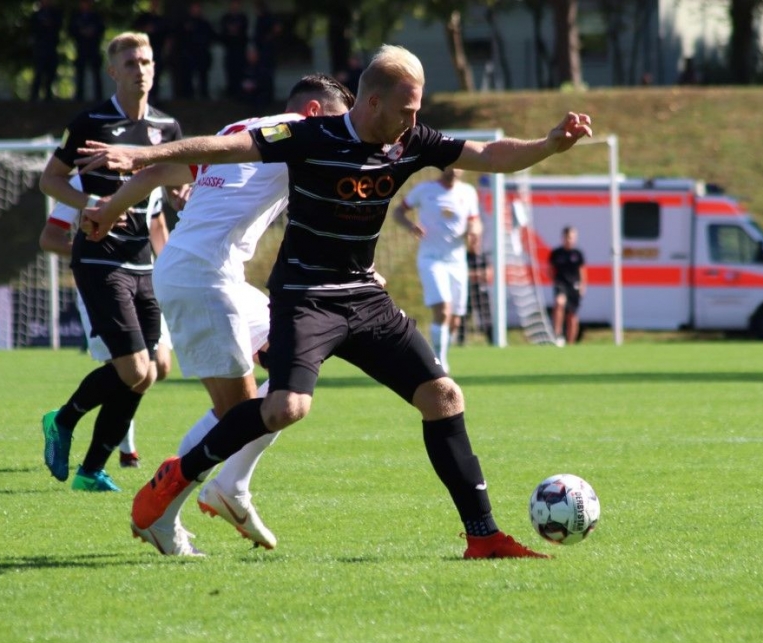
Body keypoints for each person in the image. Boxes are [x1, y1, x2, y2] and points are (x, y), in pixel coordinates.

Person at [76, 44, 592, 559]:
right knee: (286, 407)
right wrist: (143, 155)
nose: (414, 121)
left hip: (364, 295)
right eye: (406, 109)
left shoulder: (411, 141)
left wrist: (549, 145)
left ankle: (483, 536)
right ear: (373, 102)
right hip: (305, 297)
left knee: (444, 397)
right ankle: (176, 478)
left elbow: (490, 155)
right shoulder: (307, 135)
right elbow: (226, 148)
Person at [81, 74, 355, 556]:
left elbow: (159, 174)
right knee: (240, 415)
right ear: (313, 112)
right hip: (202, 275)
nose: (340, 135)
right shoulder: (298, 134)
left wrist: (109, 209)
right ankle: (163, 514)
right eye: (337, 122)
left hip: (212, 272)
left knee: (295, 366)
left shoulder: (240, 129)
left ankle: (232, 485)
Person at [38, 32, 183, 493]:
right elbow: (50, 179)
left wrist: (181, 194)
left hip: (143, 262)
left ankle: (90, 472)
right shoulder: (91, 122)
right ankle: (62, 420)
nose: (141, 69)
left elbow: (172, 189)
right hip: (100, 259)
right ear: (113, 71)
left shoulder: (167, 127)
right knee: (135, 369)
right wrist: (89, 204)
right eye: (131, 62)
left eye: (147, 61)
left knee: (151, 372)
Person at [38, 174, 177, 469]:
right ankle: (108, 458)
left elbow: (157, 226)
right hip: (104, 280)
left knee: (154, 369)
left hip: (144, 279)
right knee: (129, 369)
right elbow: (50, 238)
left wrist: (169, 271)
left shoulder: (149, 178)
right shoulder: (83, 184)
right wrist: (97, 249)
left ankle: (93, 457)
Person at [393, 166, 481, 373]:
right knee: (443, 310)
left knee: (455, 320)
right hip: (431, 259)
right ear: (444, 165)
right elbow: (398, 212)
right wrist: (410, 226)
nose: (456, 169)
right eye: (452, 164)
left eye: (460, 165)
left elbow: (475, 222)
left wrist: (474, 233)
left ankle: (440, 355)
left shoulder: (468, 192)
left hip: (457, 261)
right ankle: (439, 362)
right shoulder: (425, 190)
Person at [548, 226, 587, 346]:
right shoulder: (556, 253)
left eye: (572, 237)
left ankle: (570, 344)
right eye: (568, 237)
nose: (570, 240)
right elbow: (550, 270)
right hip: (561, 284)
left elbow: (582, 272)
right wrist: (555, 281)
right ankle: (558, 334)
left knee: (572, 316)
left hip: (574, 286)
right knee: (559, 303)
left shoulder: (578, 254)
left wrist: (583, 286)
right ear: (563, 238)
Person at [176, 1, 216, 99]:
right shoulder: (185, 23)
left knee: (203, 75)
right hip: (189, 53)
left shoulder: (204, 23)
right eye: (194, 8)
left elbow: (212, 36)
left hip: (202, 52)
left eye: (197, 8)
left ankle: (204, 94)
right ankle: (188, 95)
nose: (196, 10)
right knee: (188, 75)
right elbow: (179, 37)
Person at [132, 0, 171, 100]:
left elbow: (167, 36)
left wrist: (166, 50)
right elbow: (135, 30)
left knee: (156, 74)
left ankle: (155, 96)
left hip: (157, 50)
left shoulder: (161, 20)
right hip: (144, 51)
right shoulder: (144, 18)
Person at [68, 0, 106, 101]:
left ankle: (98, 96)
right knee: (80, 73)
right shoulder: (76, 17)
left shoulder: (96, 17)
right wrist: (81, 33)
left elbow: (101, 29)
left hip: (94, 48)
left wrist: (92, 32)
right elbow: (71, 30)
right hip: (81, 48)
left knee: (96, 73)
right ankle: (79, 96)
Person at [30, 0, 63, 102]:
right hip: (40, 48)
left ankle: (48, 94)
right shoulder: (36, 15)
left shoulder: (55, 14)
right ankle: (34, 94)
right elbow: (33, 29)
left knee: (51, 72)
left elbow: (58, 27)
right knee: (39, 71)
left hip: (51, 47)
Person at [219, 0, 249, 101]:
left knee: (240, 71)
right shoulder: (225, 18)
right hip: (230, 49)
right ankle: (231, 92)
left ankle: (240, 93)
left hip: (240, 50)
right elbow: (223, 34)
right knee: (230, 71)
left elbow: (244, 33)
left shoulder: (243, 18)